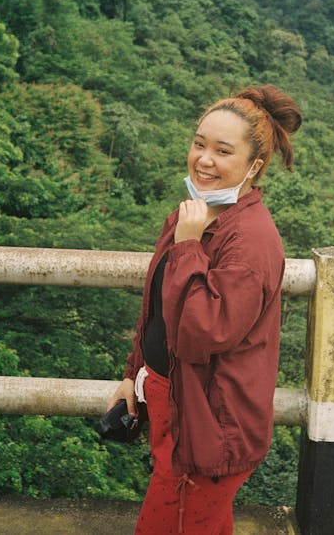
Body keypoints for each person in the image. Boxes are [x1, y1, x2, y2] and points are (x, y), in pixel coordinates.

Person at [107, 84, 302, 534]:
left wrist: (189, 247)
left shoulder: (249, 239)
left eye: (222, 151)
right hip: (171, 401)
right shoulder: (190, 214)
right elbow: (157, 307)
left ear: (254, 166)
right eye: (199, 144)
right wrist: (132, 374)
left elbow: (202, 333)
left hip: (211, 420)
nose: (204, 159)